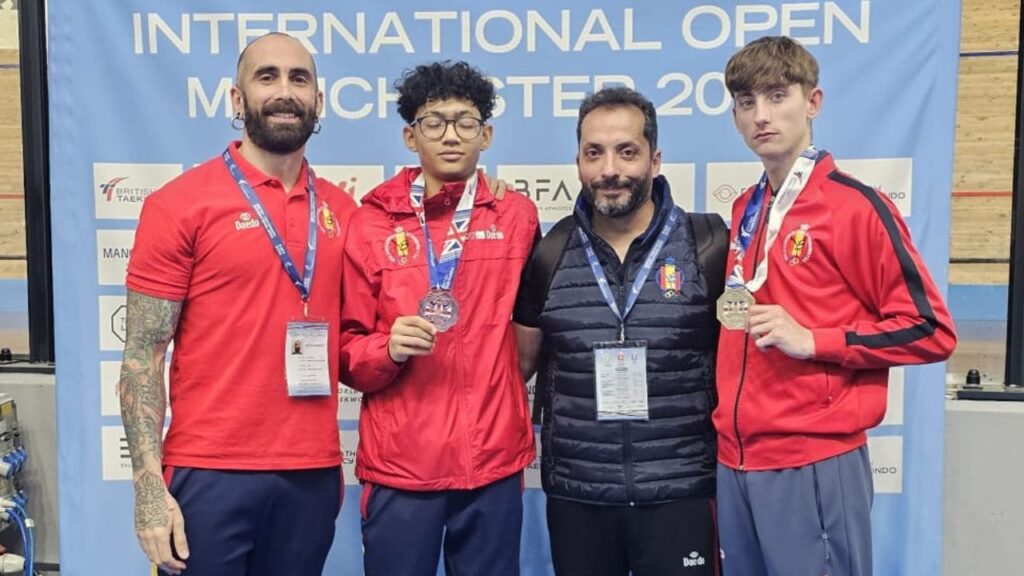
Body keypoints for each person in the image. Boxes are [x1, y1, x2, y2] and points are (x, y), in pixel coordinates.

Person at [714, 36, 957, 576]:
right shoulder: (744, 208)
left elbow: (930, 329)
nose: (762, 116)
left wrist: (817, 339)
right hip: (736, 459)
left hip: (813, 460)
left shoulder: (855, 207)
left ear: (813, 102)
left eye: (778, 96)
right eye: (747, 103)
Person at [118, 33, 356, 576]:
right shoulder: (179, 204)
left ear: (318, 101)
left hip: (312, 475)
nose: (284, 91)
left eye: (300, 79)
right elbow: (142, 357)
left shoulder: (345, 211)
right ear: (236, 99)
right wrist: (149, 489)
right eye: (266, 76)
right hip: (209, 472)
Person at [513, 87, 727, 576]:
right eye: (595, 153)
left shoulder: (708, 244)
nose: (610, 169)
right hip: (579, 494)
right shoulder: (549, 253)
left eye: (626, 151)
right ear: (578, 162)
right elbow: (516, 366)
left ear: (655, 159)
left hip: (682, 491)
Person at [338, 60, 537, 576]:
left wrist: (504, 389)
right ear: (410, 135)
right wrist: (387, 348)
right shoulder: (370, 223)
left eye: (465, 121)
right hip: (403, 467)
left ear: (486, 134)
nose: (451, 135)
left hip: (491, 461)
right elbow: (347, 349)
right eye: (434, 121)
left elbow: (534, 324)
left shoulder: (516, 216)